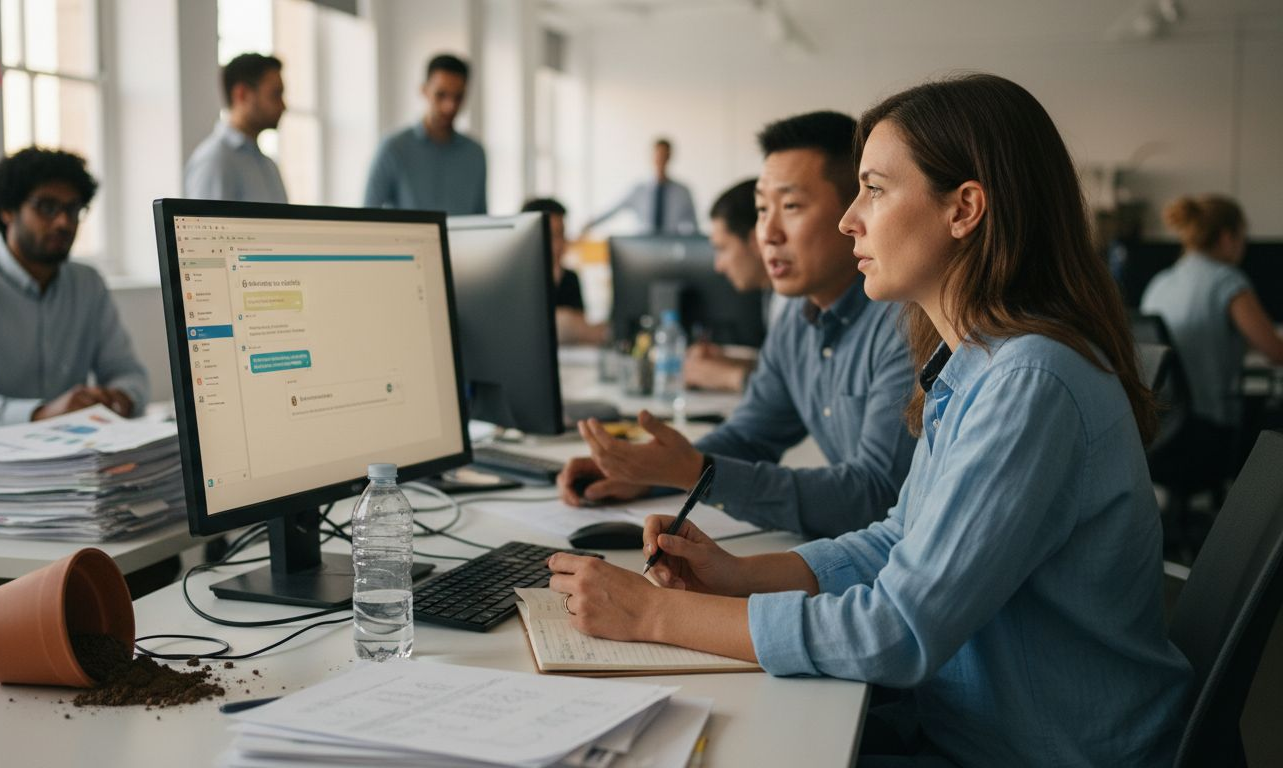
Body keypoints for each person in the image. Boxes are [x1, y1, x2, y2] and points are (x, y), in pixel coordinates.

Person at [547, 74, 1191, 766]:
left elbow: (898, 631)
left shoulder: (1030, 382)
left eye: (875, 190)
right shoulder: (973, 361)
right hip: (970, 729)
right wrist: (738, 575)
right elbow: (896, 541)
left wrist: (655, 615)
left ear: (964, 208)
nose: (851, 218)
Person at [557, 112, 916, 539]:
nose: (768, 232)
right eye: (763, 209)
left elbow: (876, 495)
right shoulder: (797, 320)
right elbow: (750, 436)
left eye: (792, 206)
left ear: (854, 213)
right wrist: (648, 468)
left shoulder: (905, 324)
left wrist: (697, 472)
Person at [0, 148, 149, 434]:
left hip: (75, 453)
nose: (63, 222)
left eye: (73, 209)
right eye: (46, 207)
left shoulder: (88, 284)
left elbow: (128, 372)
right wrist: (39, 414)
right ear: (7, 210)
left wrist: (118, 398)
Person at [1140, 195, 1283, 474]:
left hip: (1159, 431)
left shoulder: (1160, 283)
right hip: (1207, 433)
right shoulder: (1227, 281)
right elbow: (1276, 352)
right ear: (1228, 237)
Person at [683, 178, 781, 392]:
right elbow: (787, 372)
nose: (718, 266)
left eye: (723, 248)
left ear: (756, 240)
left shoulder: (794, 301)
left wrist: (730, 376)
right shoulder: (771, 296)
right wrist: (731, 363)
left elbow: (799, 391)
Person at [363, 54, 486, 215]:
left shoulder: (475, 154)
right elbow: (368, 215)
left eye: (458, 97)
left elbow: (481, 219)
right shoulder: (394, 148)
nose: (449, 106)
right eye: (441, 95)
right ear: (424, 91)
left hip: (464, 241)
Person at [184, 53, 288, 203]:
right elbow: (207, 226)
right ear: (242, 94)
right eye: (275, 95)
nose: (284, 106)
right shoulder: (214, 161)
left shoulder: (268, 165)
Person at [521, 198, 607, 346]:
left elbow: (581, 328)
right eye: (553, 236)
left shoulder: (569, 278)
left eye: (562, 235)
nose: (561, 244)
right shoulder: (516, 281)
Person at [582, 138, 698, 236]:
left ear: (670, 157)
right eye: (658, 155)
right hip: (642, 248)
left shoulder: (683, 192)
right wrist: (589, 225)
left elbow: (694, 227)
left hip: (671, 248)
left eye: (664, 156)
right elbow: (613, 209)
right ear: (652, 157)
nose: (661, 160)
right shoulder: (638, 190)